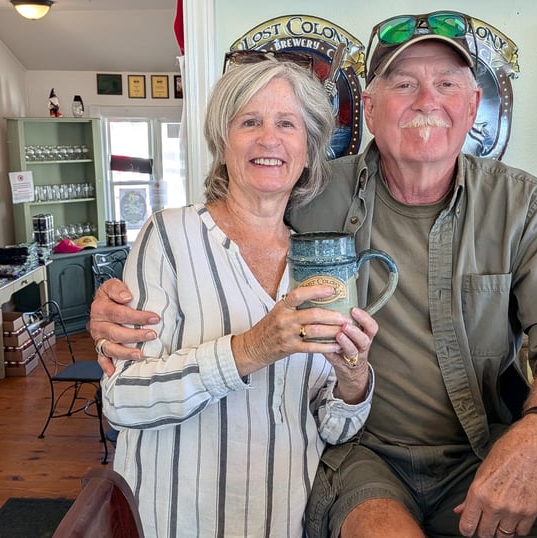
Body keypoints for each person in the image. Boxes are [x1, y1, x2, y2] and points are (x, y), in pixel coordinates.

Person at [91, 11, 537, 538]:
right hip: (361, 459)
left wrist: (535, 437)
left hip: (479, 449)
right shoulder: (309, 198)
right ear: (369, 105)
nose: (426, 101)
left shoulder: (523, 206)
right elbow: (228, 225)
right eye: (404, 83)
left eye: (447, 84)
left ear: (473, 105)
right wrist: (111, 304)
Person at [96, 58, 378, 537]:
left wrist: (353, 378)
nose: (269, 139)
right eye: (249, 122)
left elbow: (333, 428)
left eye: (286, 124)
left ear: (308, 151)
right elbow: (122, 400)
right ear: (222, 144)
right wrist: (249, 349)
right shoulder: (169, 235)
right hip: (178, 517)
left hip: (284, 520)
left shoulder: (317, 265)